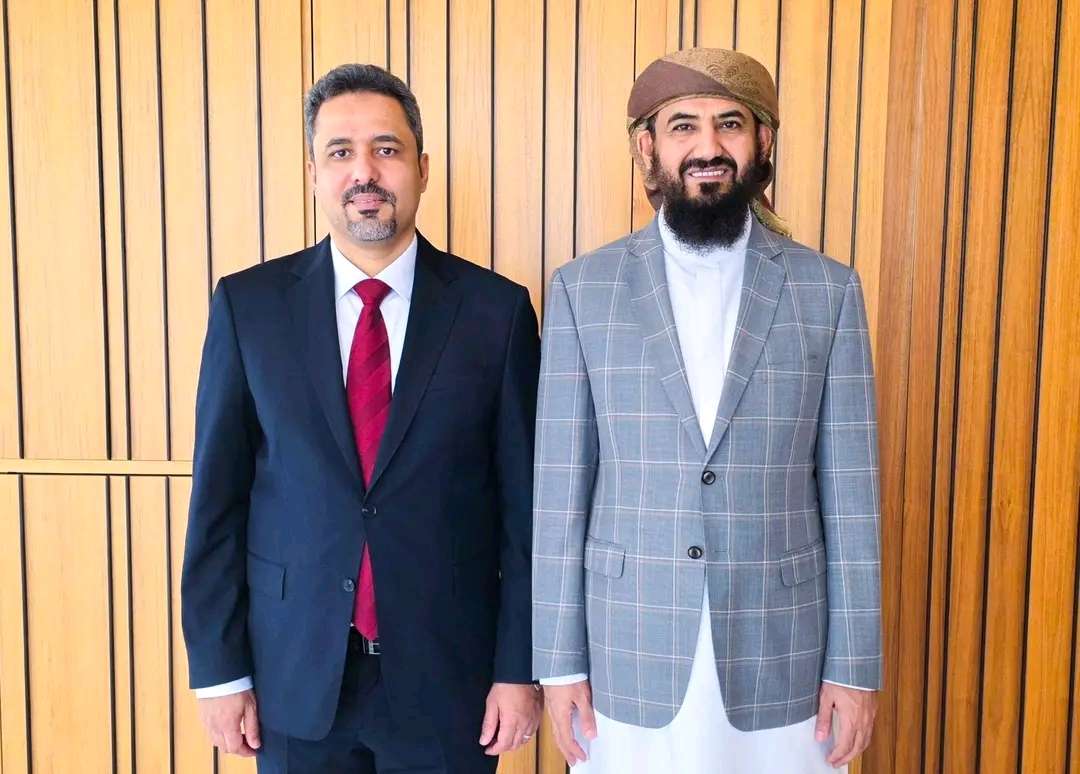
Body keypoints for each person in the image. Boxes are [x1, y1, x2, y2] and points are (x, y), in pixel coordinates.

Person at [181, 63, 541, 773]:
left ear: (422, 169)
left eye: (387, 148)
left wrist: (518, 668)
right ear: (314, 174)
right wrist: (219, 672)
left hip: (451, 681)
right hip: (292, 676)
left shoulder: (496, 313)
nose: (364, 172)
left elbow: (525, 513)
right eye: (340, 152)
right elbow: (217, 504)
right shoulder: (249, 308)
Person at [532, 47, 881, 772]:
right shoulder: (581, 290)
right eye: (683, 126)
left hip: (783, 653)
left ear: (763, 142)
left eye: (730, 123)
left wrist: (854, 669)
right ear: (648, 147)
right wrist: (559, 665)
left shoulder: (828, 291)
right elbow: (560, 494)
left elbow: (852, 497)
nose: (708, 146)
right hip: (627, 649)